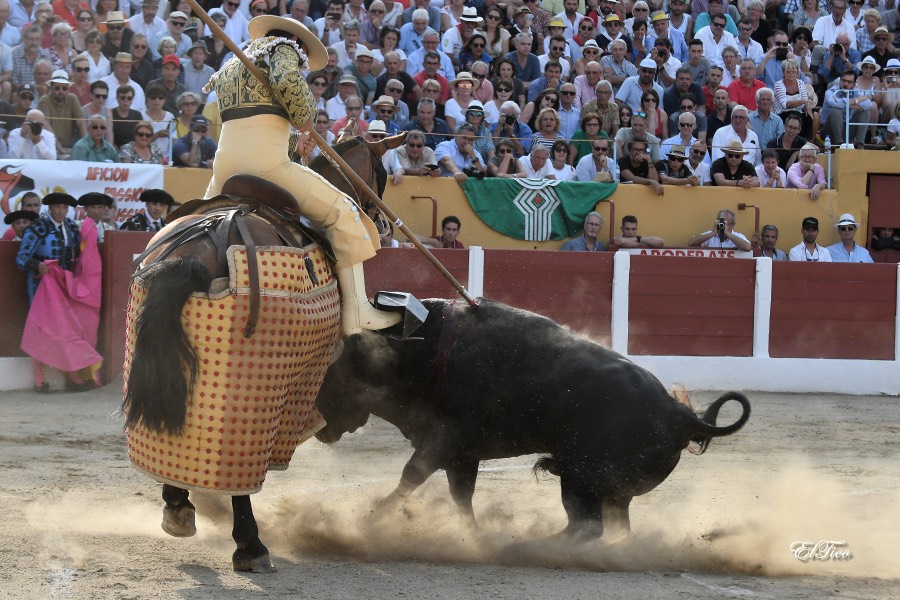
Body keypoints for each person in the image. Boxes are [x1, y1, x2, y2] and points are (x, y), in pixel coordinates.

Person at [204, 16, 400, 334]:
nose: (302, 63)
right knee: (343, 212)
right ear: (296, 43)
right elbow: (287, 85)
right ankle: (357, 311)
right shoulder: (284, 48)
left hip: (223, 169)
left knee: (197, 219)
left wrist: (295, 142)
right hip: (266, 166)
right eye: (303, 57)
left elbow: (253, 121)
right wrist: (306, 118)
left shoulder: (233, 63)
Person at [15, 192, 80, 305]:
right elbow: (21, 258)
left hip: (63, 282)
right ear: (50, 208)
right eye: (57, 207)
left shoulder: (71, 227)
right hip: (40, 282)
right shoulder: (38, 227)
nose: (61, 211)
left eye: (64, 207)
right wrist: (37, 265)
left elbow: (78, 253)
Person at [688, 208, 753, 251]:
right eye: (722, 223)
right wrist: (713, 233)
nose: (724, 226)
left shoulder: (737, 236)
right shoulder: (711, 235)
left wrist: (727, 234)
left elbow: (748, 247)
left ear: (733, 225)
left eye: (727, 224)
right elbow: (691, 242)